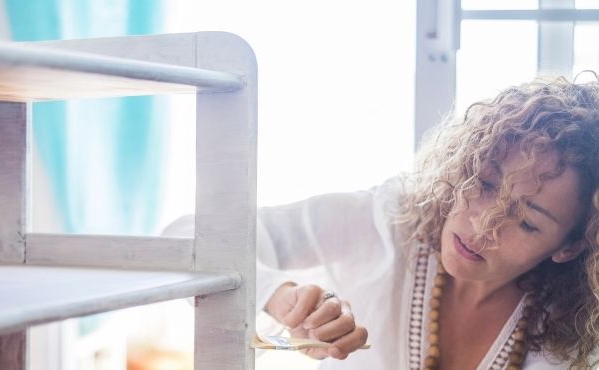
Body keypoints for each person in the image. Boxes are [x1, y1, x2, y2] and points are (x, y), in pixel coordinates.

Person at [163, 76, 599, 369]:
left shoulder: (582, 337)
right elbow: (185, 239)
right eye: (483, 183)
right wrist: (284, 299)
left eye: (525, 223)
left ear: (571, 245)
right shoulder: (387, 222)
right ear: (465, 163)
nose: (483, 226)